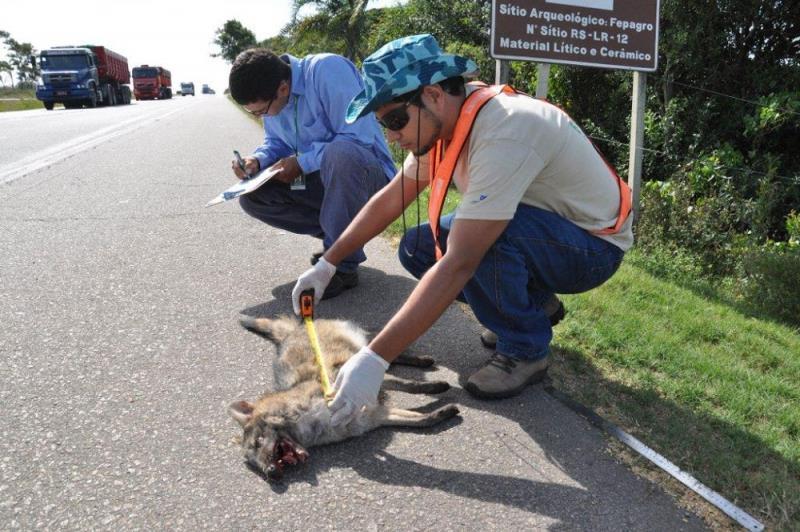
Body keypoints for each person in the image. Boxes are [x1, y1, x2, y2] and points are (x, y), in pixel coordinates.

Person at [292, 34, 633, 425]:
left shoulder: (505, 128)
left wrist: (374, 360)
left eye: (395, 120)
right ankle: (533, 305)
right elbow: (391, 198)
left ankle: (526, 349)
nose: (390, 135)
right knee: (418, 246)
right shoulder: (444, 122)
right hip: (541, 231)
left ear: (434, 95)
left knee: (475, 243)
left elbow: (461, 262)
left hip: (592, 248)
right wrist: (329, 263)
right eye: (383, 123)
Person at [228, 48, 397, 299]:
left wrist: (301, 163)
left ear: (283, 88)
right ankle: (339, 243)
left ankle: (341, 265)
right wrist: (257, 160)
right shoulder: (273, 94)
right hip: (324, 181)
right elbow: (276, 142)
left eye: (260, 111)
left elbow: (357, 137)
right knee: (252, 197)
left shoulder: (328, 71)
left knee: (341, 153)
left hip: (369, 178)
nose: (261, 116)